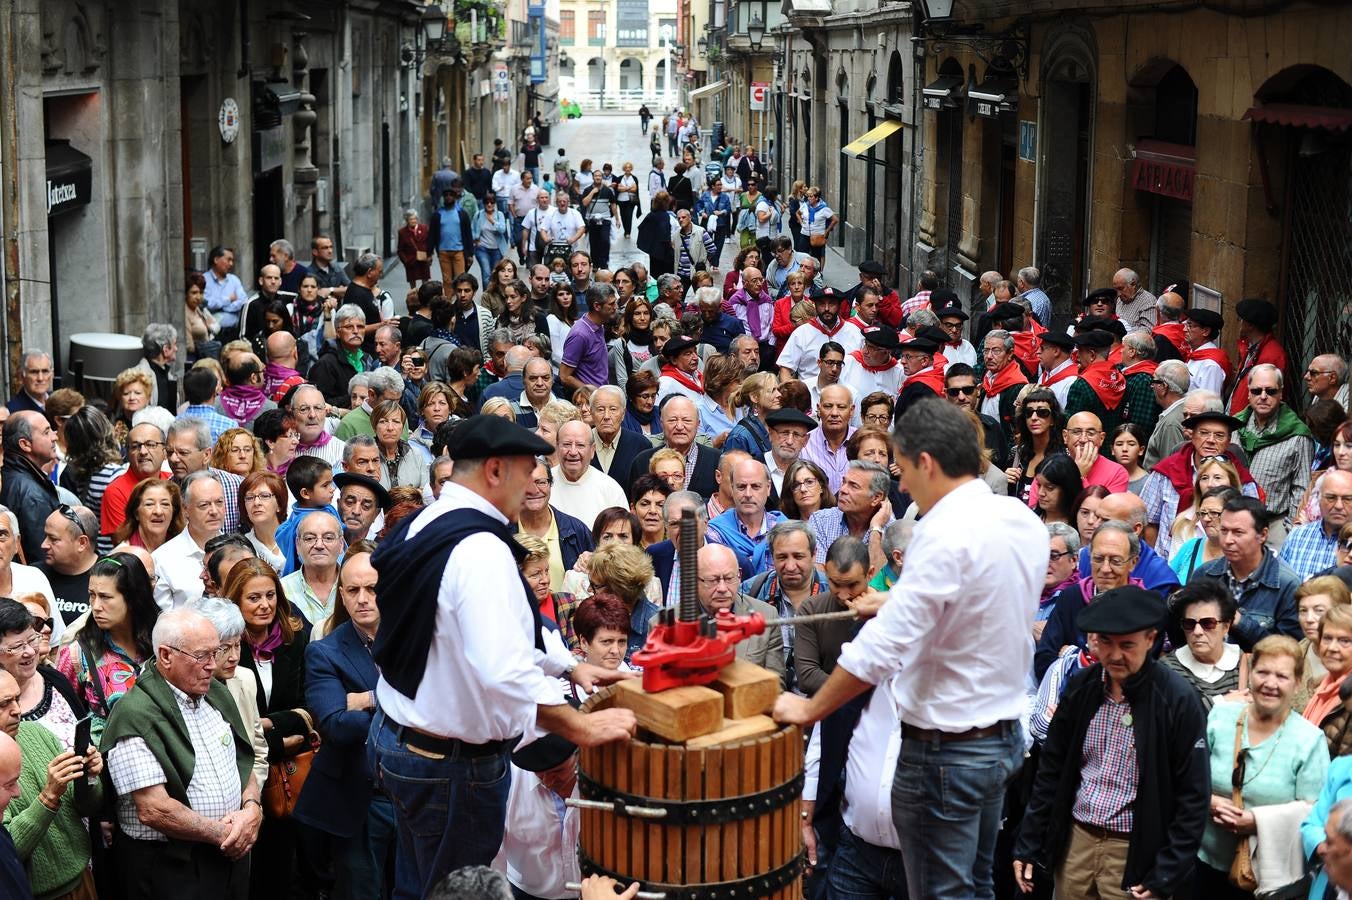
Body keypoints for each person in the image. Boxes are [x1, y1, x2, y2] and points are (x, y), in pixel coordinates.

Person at [775, 398, 1046, 899]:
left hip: (947, 751)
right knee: (972, 888)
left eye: (901, 471)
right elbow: (972, 594)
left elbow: (879, 649)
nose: (899, 486)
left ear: (927, 463)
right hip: (999, 742)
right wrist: (897, 596)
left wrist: (811, 707)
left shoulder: (941, 533)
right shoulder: (1020, 519)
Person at [370, 417, 636, 895]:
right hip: (450, 765)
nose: (536, 485)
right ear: (494, 470)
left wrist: (569, 665)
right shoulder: (479, 550)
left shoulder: (430, 519)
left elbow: (515, 622)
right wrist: (580, 727)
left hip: (408, 744)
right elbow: (502, 668)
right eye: (528, 472)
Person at [1013, 586, 1209, 900]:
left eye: (1127, 645)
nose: (1115, 655)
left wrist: (1166, 871)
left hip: (1134, 850)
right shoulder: (1082, 687)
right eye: (1106, 642)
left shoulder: (1177, 699)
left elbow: (1193, 795)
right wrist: (1029, 842)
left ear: (1150, 639)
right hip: (1076, 842)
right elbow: (1052, 770)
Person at [102, 607, 262, 899]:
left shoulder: (214, 692)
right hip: (170, 867)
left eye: (217, 652)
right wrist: (226, 834)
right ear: (166, 655)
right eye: (203, 656)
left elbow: (241, 761)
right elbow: (153, 809)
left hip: (227, 857)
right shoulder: (134, 714)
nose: (213, 665)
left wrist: (252, 810)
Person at [293, 545, 411, 900]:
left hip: (414, 793)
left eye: (372, 588)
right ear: (341, 595)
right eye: (353, 590)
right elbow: (336, 725)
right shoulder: (325, 652)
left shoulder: (414, 641)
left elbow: (442, 702)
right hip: (359, 799)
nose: (362, 599)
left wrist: (370, 700)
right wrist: (405, 709)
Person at [1196, 635, 1328, 895]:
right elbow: (1189, 776)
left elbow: (1314, 812)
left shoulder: (1309, 740)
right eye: (1263, 672)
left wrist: (1257, 821)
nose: (1270, 683)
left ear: (1297, 683)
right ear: (1251, 674)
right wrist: (1208, 801)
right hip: (1203, 861)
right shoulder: (1221, 717)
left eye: (1282, 676)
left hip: (1267, 875)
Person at [223, 557, 312, 896]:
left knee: (284, 870)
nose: (265, 605)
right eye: (254, 598)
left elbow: (308, 710)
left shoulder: (295, 638)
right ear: (236, 601)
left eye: (270, 595)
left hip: (292, 776)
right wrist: (278, 741)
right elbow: (230, 722)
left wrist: (266, 722)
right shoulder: (227, 648)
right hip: (245, 776)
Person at [55, 551, 158, 743]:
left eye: (105, 597)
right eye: (92, 595)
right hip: (106, 762)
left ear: (133, 597)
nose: (96, 606)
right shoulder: (78, 655)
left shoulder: (162, 641)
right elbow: (62, 720)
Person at [1194, 495, 1302, 649]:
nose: (1228, 540)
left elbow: (1290, 651)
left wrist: (1240, 622)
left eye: (1238, 532)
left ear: (1263, 535)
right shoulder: (1205, 574)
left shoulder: (1287, 585)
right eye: (1224, 531)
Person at [1236, 363, 1315, 538]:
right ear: (1248, 393)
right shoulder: (1234, 427)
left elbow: (1301, 488)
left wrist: (1291, 530)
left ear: (1280, 393)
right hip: (1233, 521)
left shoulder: (1298, 435)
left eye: (1270, 391)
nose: (1263, 396)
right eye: (1257, 391)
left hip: (1273, 525)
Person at [1159, 576, 1246, 710]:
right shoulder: (1166, 669)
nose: (1197, 631)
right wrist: (1222, 702)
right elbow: (1172, 718)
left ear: (1226, 626)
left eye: (1208, 623)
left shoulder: (1245, 663)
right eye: (1189, 623)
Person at [153, 471, 225, 611]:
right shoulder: (162, 559)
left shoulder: (239, 549)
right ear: (186, 509)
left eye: (219, 502)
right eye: (204, 505)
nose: (214, 511)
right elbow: (163, 620)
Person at [1, 413, 60, 565]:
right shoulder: (31, 494)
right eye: (46, 432)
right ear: (25, 444)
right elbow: (42, 555)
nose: (55, 437)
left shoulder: (9, 475)